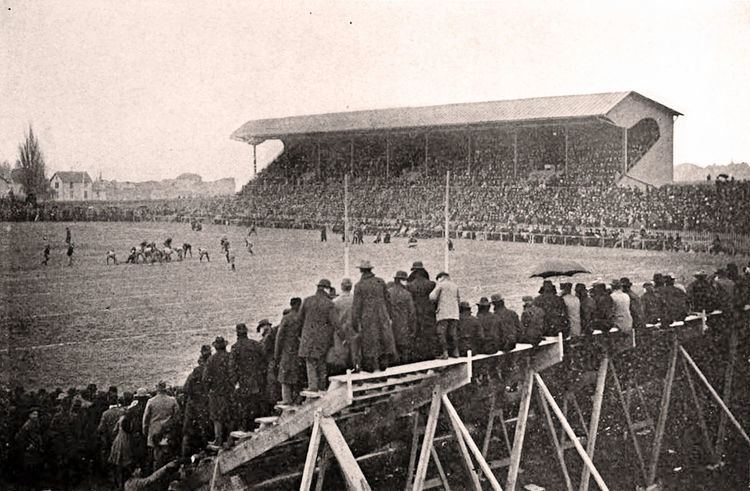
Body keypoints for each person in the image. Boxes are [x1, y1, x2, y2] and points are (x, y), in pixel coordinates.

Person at [352, 261, 397, 371]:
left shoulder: (359, 285)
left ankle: (373, 372)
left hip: (367, 319)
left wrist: (355, 324)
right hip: (382, 317)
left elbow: (356, 308)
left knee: (370, 346)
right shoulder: (380, 282)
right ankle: (383, 371)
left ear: (361, 270)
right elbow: (388, 301)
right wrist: (390, 317)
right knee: (383, 343)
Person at [298, 279, 340, 392]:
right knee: (321, 363)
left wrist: (301, 335)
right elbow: (335, 323)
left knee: (310, 363)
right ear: (327, 289)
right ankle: (321, 387)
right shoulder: (329, 304)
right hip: (322, 340)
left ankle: (313, 387)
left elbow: (299, 320)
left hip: (307, 338)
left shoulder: (307, 301)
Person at [230, 322, 266, 431]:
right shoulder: (255, 344)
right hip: (257, 379)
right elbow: (263, 358)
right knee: (257, 404)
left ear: (237, 334)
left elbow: (232, 367)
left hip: (244, 381)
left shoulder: (235, 348)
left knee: (245, 406)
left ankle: (247, 429)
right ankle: (258, 426)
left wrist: (234, 382)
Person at [181, 346, 211, 458]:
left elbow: (186, 389)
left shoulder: (196, 372)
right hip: (209, 403)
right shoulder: (213, 368)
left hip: (197, 406)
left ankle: (186, 459)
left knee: (188, 432)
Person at [142, 381, 179, 470]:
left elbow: (145, 419)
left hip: (155, 432)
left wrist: (145, 431)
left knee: (156, 456)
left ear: (157, 389)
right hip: (168, 431)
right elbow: (177, 416)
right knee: (168, 455)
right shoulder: (172, 400)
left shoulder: (151, 401)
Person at [203, 337, 233, 445]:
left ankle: (218, 440)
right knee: (230, 416)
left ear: (215, 347)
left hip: (215, 392)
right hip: (229, 391)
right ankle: (231, 438)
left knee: (217, 418)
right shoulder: (230, 356)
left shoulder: (211, 360)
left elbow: (205, 378)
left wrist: (209, 390)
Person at [406, 261, 438, 361]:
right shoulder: (431, 284)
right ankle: (430, 355)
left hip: (416, 312)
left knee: (417, 335)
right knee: (429, 335)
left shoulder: (410, 286)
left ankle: (419, 357)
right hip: (428, 312)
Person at [276, 298, 304, 404]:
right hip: (299, 350)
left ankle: (287, 400)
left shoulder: (286, 318)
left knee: (285, 377)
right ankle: (298, 399)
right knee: (298, 375)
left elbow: (279, 337)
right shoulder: (302, 318)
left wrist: (276, 354)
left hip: (287, 351)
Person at [387, 271, 417, 364]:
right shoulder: (407, 294)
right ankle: (403, 371)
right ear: (401, 280)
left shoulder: (388, 292)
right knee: (404, 350)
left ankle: (394, 371)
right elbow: (412, 313)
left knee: (392, 349)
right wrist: (413, 328)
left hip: (391, 326)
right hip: (404, 326)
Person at [429, 271, 460, 359]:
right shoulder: (455, 286)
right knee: (452, 333)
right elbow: (458, 300)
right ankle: (455, 352)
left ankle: (444, 353)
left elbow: (432, 297)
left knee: (441, 333)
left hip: (443, 313)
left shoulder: (441, 285)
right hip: (454, 313)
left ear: (441, 278)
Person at [332, 279, 358, 370]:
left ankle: (343, 373)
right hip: (354, 329)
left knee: (341, 355)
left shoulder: (335, 302)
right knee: (355, 353)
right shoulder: (355, 299)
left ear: (341, 286)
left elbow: (334, 319)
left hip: (341, 330)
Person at [15, 406, 44, 488]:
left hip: (35, 449)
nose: (36, 416)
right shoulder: (27, 425)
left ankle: (32, 484)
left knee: (34, 467)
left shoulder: (36, 423)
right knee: (29, 468)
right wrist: (27, 446)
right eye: (34, 414)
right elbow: (19, 438)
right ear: (30, 415)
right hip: (29, 450)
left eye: (36, 414)